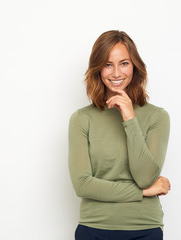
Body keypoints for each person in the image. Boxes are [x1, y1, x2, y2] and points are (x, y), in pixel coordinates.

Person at [68, 30, 171, 240]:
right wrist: (143, 193)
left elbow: (144, 177)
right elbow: (82, 184)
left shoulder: (157, 117)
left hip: (144, 229)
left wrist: (130, 119)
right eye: (108, 64)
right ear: (98, 69)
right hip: (93, 229)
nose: (116, 73)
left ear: (135, 66)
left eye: (124, 63)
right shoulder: (81, 119)